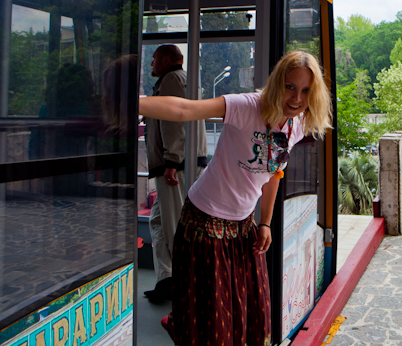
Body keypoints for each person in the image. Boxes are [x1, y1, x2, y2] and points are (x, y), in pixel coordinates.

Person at [138, 50, 332, 346]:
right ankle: (180, 322)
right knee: (214, 324)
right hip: (204, 222)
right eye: (290, 87)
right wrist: (130, 103)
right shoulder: (247, 106)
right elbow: (184, 111)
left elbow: (273, 176)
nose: (296, 98)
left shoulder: (296, 125)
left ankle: (180, 319)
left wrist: (264, 223)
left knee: (253, 316)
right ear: (278, 83)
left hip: (243, 228)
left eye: (306, 91)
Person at [143, 44, 207, 303]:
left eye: (155, 59)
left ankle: (185, 287)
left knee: (173, 229)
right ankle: (166, 280)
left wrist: (171, 160)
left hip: (176, 167)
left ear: (167, 60)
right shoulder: (184, 79)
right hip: (181, 164)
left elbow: (173, 123)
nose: (151, 65)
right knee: (158, 221)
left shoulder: (170, 81)